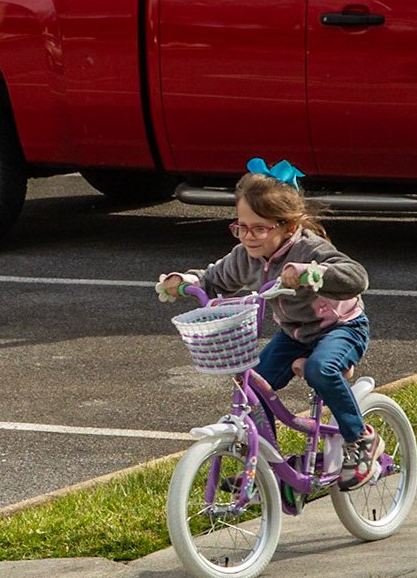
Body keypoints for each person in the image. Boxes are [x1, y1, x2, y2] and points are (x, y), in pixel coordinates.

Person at [157, 163, 380, 487]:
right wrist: (187, 281)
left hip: (341, 328)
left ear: (288, 227)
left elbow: (356, 277)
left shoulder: (309, 247)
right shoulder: (246, 256)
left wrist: (312, 273)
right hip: (296, 334)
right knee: (255, 388)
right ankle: (266, 469)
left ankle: (360, 440)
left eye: (258, 228)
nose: (248, 236)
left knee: (320, 369)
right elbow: (215, 279)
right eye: (241, 227)